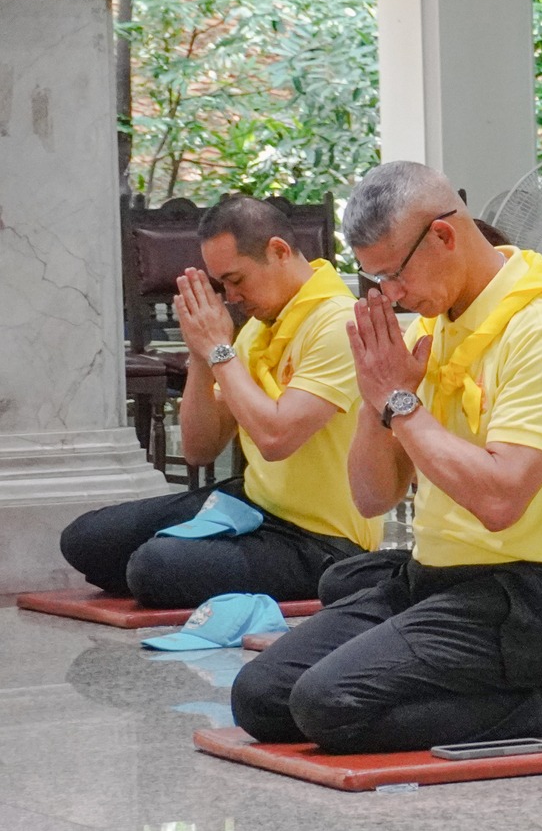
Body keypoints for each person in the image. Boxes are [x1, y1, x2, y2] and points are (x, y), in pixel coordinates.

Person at [231, 164, 542, 755]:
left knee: (327, 705)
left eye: (395, 273)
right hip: (436, 579)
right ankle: (507, 692)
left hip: (535, 597)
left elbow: (499, 499)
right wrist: (374, 401)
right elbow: (372, 497)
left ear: (443, 235)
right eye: (376, 279)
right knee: (261, 697)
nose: (391, 294)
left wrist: (402, 405)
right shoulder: (433, 328)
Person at [60, 196, 379, 606]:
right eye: (221, 285)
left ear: (279, 251)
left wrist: (219, 351)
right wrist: (199, 354)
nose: (230, 297)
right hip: (251, 505)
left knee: (153, 567)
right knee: (86, 540)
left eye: (236, 280)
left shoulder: (340, 323)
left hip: (323, 539)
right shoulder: (259, 328)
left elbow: (276, 439)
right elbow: (199, 449)